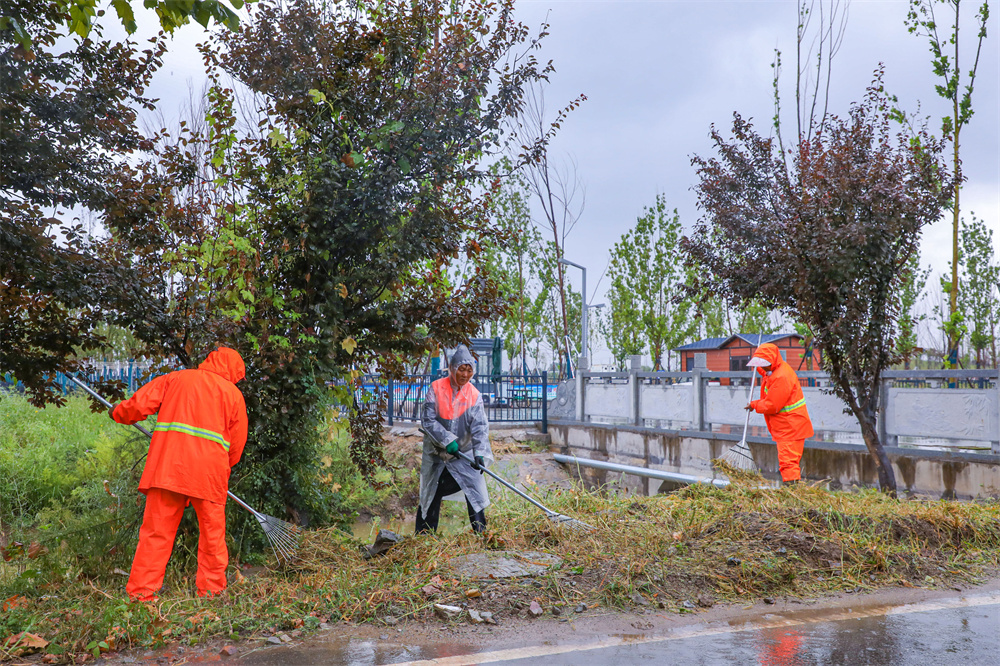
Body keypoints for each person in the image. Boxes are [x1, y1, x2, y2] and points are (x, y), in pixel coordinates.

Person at [109, 347, 248, 601]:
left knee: (155, 534)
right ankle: (212, 592)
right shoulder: (233, 396)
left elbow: (138, 405)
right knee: (212, 538)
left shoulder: (176, 378)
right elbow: (236, 449)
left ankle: (141, 595)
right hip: (209, 476)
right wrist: (221, 467)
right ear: (234, 373)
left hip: (167, 469)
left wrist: (117, 412)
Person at [417, 345, 494, 534]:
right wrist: (446, 440)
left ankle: (481, 535)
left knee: (475, 490)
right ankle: (423, 538)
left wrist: (479, 453)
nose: (465, 374)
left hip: (464, 453)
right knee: (430, 493)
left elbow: (480, 428)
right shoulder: (436, 388)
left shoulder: (474, 395)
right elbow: (428, 420)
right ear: (452, 368)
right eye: (461, 369)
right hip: (436, 454)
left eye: (469, 370)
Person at [744, 342, 814, 485]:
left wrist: (754, 405)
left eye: (764, 363)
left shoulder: (781, 377)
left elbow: (772, 405)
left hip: (790, 427)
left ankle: (791, 492)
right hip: (789, 425)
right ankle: (791, 490)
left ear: (772, 361)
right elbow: (767, 375)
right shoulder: (775, 372)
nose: (762, 367)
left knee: (788, 462)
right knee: (788, 461)